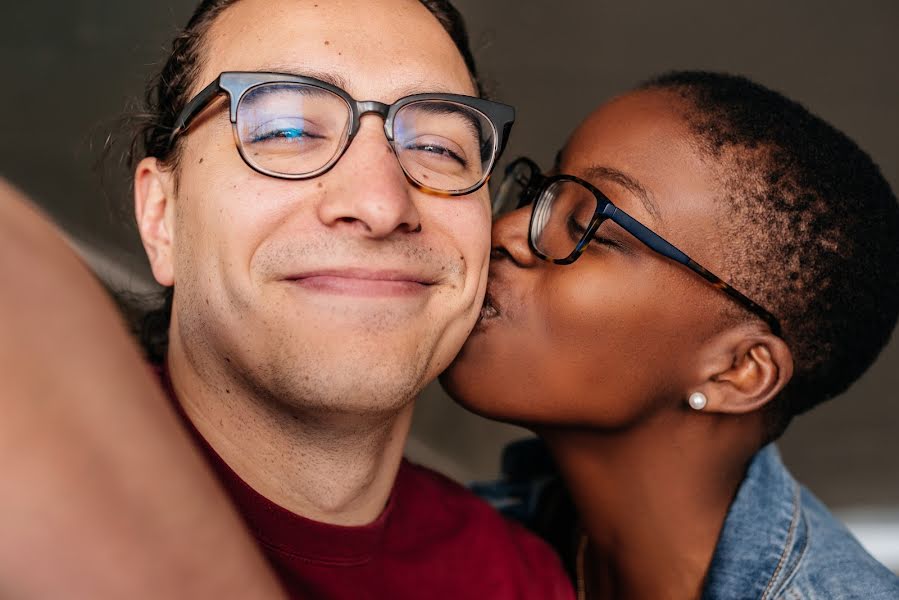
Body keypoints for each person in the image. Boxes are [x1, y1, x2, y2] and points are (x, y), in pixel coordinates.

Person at [0, 0, 574, 598]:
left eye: (438, 148)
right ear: (162, 219)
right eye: (288, 131)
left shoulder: (519, 578)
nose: (380, 205)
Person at [443, 70, 899, 599]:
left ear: (738, 371)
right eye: (539, 191)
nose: (504, 232)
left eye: (589, 227)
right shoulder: (481, 537)